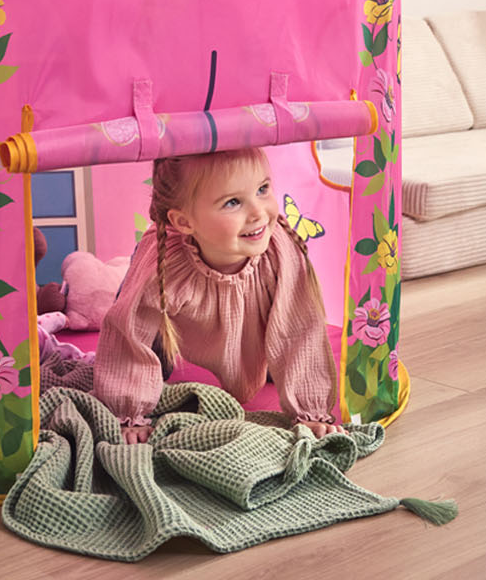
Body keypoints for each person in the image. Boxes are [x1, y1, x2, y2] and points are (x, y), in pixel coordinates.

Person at [94, 146, 341, 443]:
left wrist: (310, 412)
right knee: (153, 357)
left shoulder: (280, 251)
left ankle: (264, 364)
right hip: (176, 327)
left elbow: (299, 330)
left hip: (254, 325)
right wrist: (128, 414)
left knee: (278, 359)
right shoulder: (166, 266)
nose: (258, 212)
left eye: (263, 189)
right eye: (233, 202)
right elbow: (128, 335)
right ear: (185, 222)